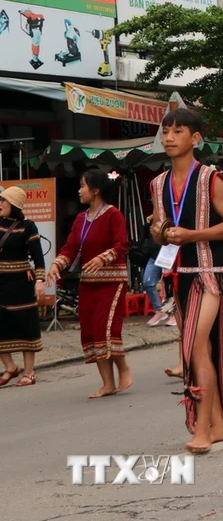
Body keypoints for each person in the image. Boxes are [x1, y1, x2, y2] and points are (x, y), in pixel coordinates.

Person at [148, 108, 223, 452]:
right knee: (200, 348)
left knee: (193, 347)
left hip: (210, 274)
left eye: (177, 131)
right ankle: (219, 425)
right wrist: (160, 231)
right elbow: (159, 233)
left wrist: (192, 235)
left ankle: (202, 429)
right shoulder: (157, 184)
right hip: (178, 276)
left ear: (195, 138)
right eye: (165, 131)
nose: (169, 137)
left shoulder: (209, 178)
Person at [48, 169, 132, 399]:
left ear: (95, 191)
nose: (79, 190)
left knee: (107, 330)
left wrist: (101, 258)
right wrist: (57, 264)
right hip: (89, 282)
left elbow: (121, 245)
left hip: (112, 281)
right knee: (92, 331)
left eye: (82, 186)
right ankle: (107, 384)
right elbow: (70, 248)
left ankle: (123, 368)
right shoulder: (80, 219)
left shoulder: (114, 215)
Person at [0, 186, 45, 387]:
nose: (0, 204)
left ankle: (29, 373)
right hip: (1, 284)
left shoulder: (28, 227)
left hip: (21, 285)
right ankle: (10, 367)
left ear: (14, 205)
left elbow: (38, 257)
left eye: (4, 201)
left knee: (26, 327)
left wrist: (39, 281)